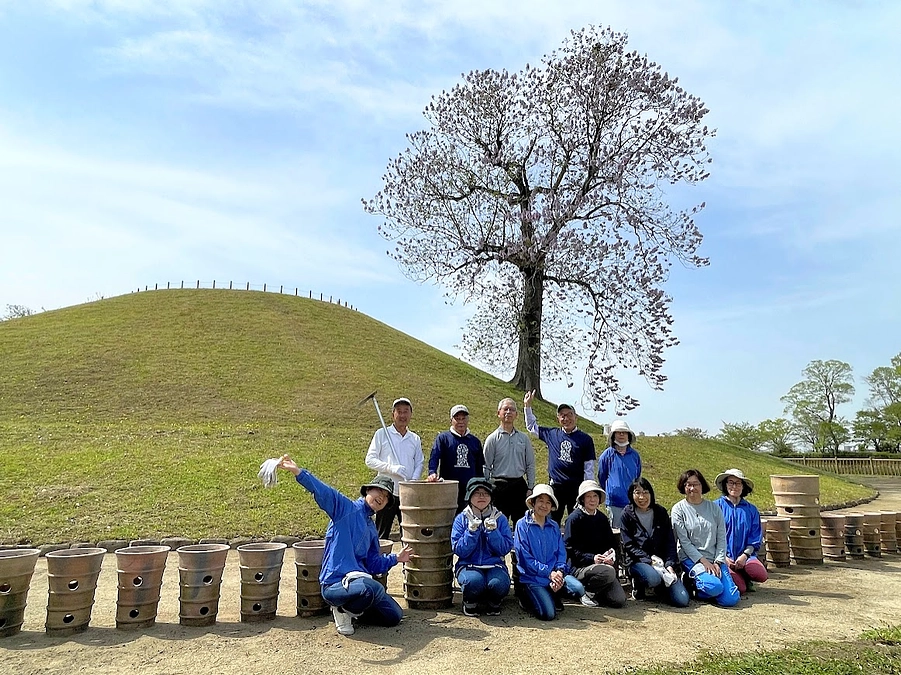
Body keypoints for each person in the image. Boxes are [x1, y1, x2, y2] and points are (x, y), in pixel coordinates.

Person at [275, 455, 413, 636]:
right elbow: (322, 491)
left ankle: (355, 611)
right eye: (379, 491)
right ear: (368, 490)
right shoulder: (344, 508)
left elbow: (372, 563)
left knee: (394, 615)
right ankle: (341, 610)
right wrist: (298, 472)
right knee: (372, 587)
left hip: (360, 582)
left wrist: (396, 558)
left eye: (386, 497)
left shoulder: (371, 528)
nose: (381, 497)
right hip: (334, 584)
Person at [514, 484, 594, 620]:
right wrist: (549, 573)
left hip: (554, 574)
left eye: (548, 502)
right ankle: (526, 597)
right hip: (532, 577)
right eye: (540, 501)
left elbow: (561, 554)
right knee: (549, 614)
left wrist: (559, 572)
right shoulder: (522, 525)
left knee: (579, 589)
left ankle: (552, 593)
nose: (544, 505)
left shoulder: (554, 526)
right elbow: (525, 559)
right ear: (533, 502)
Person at [523, 390, 597, 523]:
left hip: (576, 488)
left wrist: (588, 488)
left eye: (569, 415)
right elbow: (531, 427)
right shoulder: (552, 434)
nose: (566, 418)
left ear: (576, 417)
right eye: (562, 415)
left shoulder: (585, 439)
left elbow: (589, 467)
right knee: (551, 522)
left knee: (578, 521)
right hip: (556, 487)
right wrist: (527, 407)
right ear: (558, 419)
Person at [671, 469, 740, 608]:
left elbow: (722, 538)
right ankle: (694, 583)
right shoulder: (678, 509)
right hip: (691, 559)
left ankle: (703, 592)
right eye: (688, 484)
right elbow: (684, 542)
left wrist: (718, 561)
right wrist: (703, 561)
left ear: (702, 485)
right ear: (683, 487)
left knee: (731, 599)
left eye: (696, 484)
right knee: (715, 586)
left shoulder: (714, 508)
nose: (692, 488)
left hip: (714, 558)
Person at [619, 477, 690, 607]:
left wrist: (669, 565)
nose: (642, 497)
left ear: (651, 493)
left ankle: (661, 587)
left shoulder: (660, 512)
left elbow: (670, 542)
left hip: (663, 564)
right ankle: (639, 584)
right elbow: (628, 545)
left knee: (682, 600)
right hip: (638, 561)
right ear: (631, 495)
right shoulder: (627, 514)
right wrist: (649, 561)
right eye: (637, 493)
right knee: (653, 578)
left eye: (645, 492)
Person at [451, 477, 514, 616]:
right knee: (473, 582)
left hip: (494, 565)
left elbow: (505, 548)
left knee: (499, 584)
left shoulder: (500, 518)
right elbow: (459, 550)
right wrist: (471, 533)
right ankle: (470, 602)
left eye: (485, 493)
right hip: (468, 565)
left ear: (491, 497)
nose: (481, 496)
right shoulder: (461, 519)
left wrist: (493, 532)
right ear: (469, 496)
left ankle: (494, 602)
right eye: (477, 493)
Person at [365, 397, 423, 539]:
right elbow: (370, 460)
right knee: (381, 533)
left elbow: (419, 462)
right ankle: (378, 559)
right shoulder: (382, 434)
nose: (402, 415)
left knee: (409, 534)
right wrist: (391, 468)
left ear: (411, 414)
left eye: (406, 411)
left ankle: (408, 562)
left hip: (407, 492)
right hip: (385, 493)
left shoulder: (414, 439)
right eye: (399, 412)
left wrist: (413, 480)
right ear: (393, 414)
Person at [563, 479, 627, 608]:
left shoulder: (602, 519)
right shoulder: (574, 519)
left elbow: (611, 543)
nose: (592, 500)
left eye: (595, 496)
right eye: (588, 496)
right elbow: (569, 548)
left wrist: (610, 555)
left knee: (619, 600)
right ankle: (587, 592)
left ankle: (595, 590)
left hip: (602, 566)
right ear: (582, 499)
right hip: (579, 567)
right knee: (608, 572)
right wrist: (592, 558)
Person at [483, 397, 536, 528]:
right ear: (499, 413)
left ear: (516, 415)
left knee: (522, 524)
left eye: (512, 410)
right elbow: (486, 466)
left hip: (519, 486)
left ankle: (520, 548)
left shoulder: (523, 439)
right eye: (505, 409)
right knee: (499, 523)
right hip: (498, 487)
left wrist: (530, 487)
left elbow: (530, 464)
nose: (508, 412)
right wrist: (485, 488)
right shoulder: (492, 439)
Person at [714, 468, 768, 595]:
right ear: (725, 485)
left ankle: (746, 574)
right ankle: (735, 576)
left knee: (760, 574)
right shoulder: (715, 507)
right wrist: (724, 557)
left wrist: (745, 556)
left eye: (738, 483)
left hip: (746, 556)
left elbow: (755, 536)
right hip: (723, 557)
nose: (734, 486)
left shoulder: (751, 510)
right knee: (741, 589)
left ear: (743, 486)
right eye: (731, 482)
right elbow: (711, 535)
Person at [427, 404, 485, 512]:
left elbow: (479, 468)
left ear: (468, 420)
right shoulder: (443, 439)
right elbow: (434, 457)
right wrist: (432, 472)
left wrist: (480, 486)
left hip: (470, 489)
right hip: (449, 489)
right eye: (457, 419)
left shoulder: (475, 441)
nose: (461, 422)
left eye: (463, 418)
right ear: (451, 421)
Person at [597, 420, 642, 528]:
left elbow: (638, 477)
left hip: (632, 502)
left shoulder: (635, 456)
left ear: (629, 435)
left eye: (624, 432)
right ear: (613, 435)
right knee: (617, 533)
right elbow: (602, 477)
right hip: (614, 503)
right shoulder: (606, 455)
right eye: (618, 432)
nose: (621, 434)